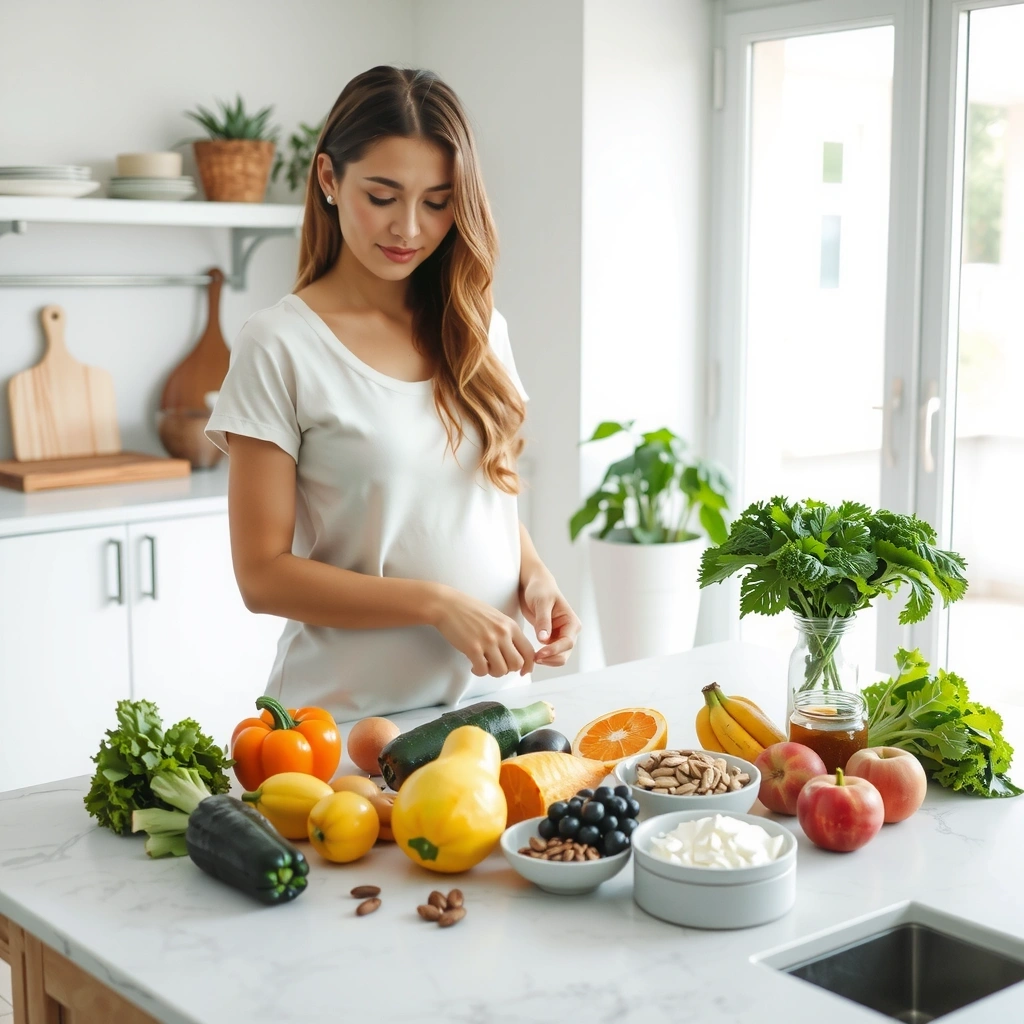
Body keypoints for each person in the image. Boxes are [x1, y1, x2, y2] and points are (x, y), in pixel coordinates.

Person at [206, 66, 581, 719]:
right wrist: (436, 604)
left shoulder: (478, 328)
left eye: (437, 201)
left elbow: (483, 499)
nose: (410, 228)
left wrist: (536, 578)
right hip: (344, 724)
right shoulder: (280, 345)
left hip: (496, 708)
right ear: (329, 178)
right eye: (383, 196)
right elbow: (261, 576)